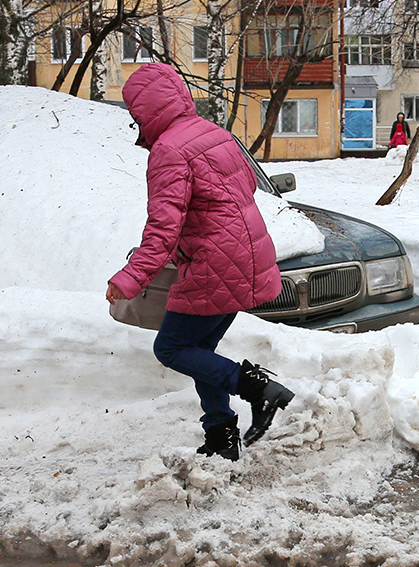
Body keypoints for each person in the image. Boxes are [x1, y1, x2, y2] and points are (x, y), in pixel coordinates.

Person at [106, 63, 294, 461]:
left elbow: (163, 227)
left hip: (215, 263)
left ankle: (258, 388)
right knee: (200, 350)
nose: (134, 121)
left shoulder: (169, 151)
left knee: (172, 348)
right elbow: (240, 193)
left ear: (147, 110)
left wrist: (131, 277)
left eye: (134, 114)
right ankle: (222, 437)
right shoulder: (215, 133)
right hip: (247, 254)